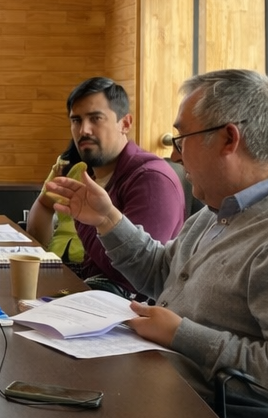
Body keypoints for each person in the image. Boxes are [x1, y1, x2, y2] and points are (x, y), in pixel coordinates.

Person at [47, 69, 268, 418]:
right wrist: (108, 219)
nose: (174, 155)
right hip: (163, 393)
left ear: (229, 139)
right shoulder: (219, 212)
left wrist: (182, 335)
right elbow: (161, 273)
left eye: (182, 139)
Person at [26, 77, 185, 295]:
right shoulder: (84, 172)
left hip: (123, 307)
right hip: (81, 287)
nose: (84, 130)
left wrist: (88, 218)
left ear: (125, 124)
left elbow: (131, 278)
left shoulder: (152, 180)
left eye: (96, 118)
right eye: (76, 120)